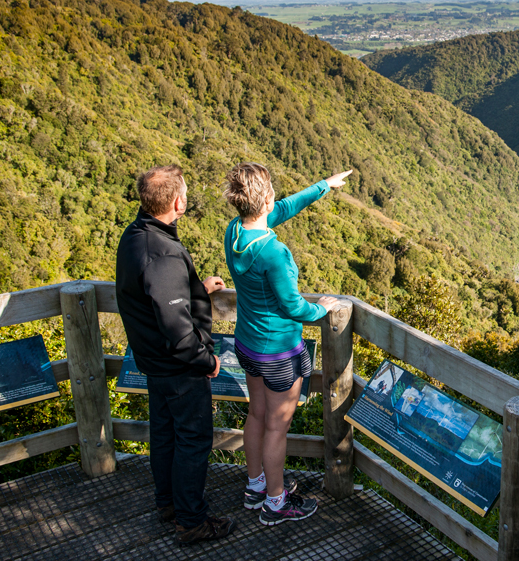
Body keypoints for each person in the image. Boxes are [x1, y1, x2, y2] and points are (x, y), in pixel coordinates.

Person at [222, 162, 351, 526]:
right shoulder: (273, 253)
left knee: (257, 415)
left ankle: (256, 486)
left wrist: (322, 186)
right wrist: (320, 309)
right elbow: (292, 306)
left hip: (247, 344)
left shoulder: (236, 231)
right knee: (277, 427)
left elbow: (282, 210)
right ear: (267, 198)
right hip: (278, 352)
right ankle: (276, 503)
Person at [115, 165, 234, 545]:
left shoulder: (135, 237)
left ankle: (169, 503)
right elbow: (177, 328)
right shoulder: (162, 252)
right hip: (179, 366)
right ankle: (191, 521)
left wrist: (196, 289)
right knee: (193, 440)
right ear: (179, 203)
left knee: (165, 435)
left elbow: (157, 296)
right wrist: (207, 360)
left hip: (153, 362)